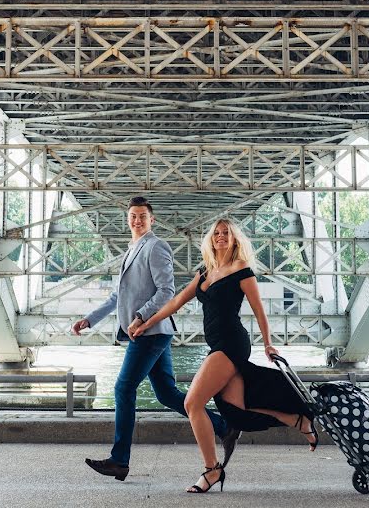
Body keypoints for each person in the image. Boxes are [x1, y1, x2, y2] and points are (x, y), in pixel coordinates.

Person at [132, 218, 318, 493]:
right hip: (217, 345)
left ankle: (212, 470)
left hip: (231, 344)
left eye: (226, 233)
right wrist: (146, 322)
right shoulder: (205, 272)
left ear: (234, 239)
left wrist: (268, 344)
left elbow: (259, 310)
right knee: (238, 409)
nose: (220, 237)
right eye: (216, 233)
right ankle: (297, 420)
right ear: (211, 239)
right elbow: (175, 301)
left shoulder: (242, 270)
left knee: (193, 403)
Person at [72, 197, 240, 482]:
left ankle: (119, 460)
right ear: (128, 219)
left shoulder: (156, 246)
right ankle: (223, 426)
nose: (137, 220)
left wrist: (141, 316)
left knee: (123, 388)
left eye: (142, 216)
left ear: (152, 220)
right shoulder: (131, 250)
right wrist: (90, 319)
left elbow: (166, 291)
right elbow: (117, 297)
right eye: (133, 216)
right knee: (166, 394)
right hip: (149, 332)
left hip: (150, 330)